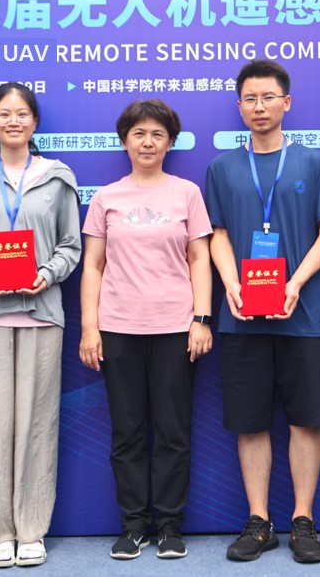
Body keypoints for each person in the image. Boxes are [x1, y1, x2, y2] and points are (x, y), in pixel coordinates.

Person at [204, 59, 320, 563]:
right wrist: (231, 284)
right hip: (242, 315)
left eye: (268, 97)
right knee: (251, 422)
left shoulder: (314, 163)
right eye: (250, 98)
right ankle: (259, 521)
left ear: (286, 102)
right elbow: (218, 234)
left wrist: (294, 283)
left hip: (302, 313)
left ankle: (303, 520)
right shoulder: (222, 167)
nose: (259, 106)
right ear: (239, 106)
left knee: (306, 420)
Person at [0, 82, 81, 568]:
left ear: (35, 121)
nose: (13, 121)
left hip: (42, 314)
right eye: (4, 114)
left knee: (37, 426)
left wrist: (47, 273)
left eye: (22, 113)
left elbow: (71, 245)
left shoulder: (57, 177)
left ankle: (31, 529)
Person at [78, 100, 213, 561]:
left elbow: (200, 259)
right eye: (139, 134)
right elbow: (93, 265)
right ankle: (134, 525)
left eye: (158, 134)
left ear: (170, 142)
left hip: (176, 328)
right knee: (128, 432)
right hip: (118, 328)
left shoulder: (187, 193)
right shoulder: (106, 198)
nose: (148, 142)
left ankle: (170, 525)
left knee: (173, 431)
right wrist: (90, 327)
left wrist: (201, 319)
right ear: (125, 141)